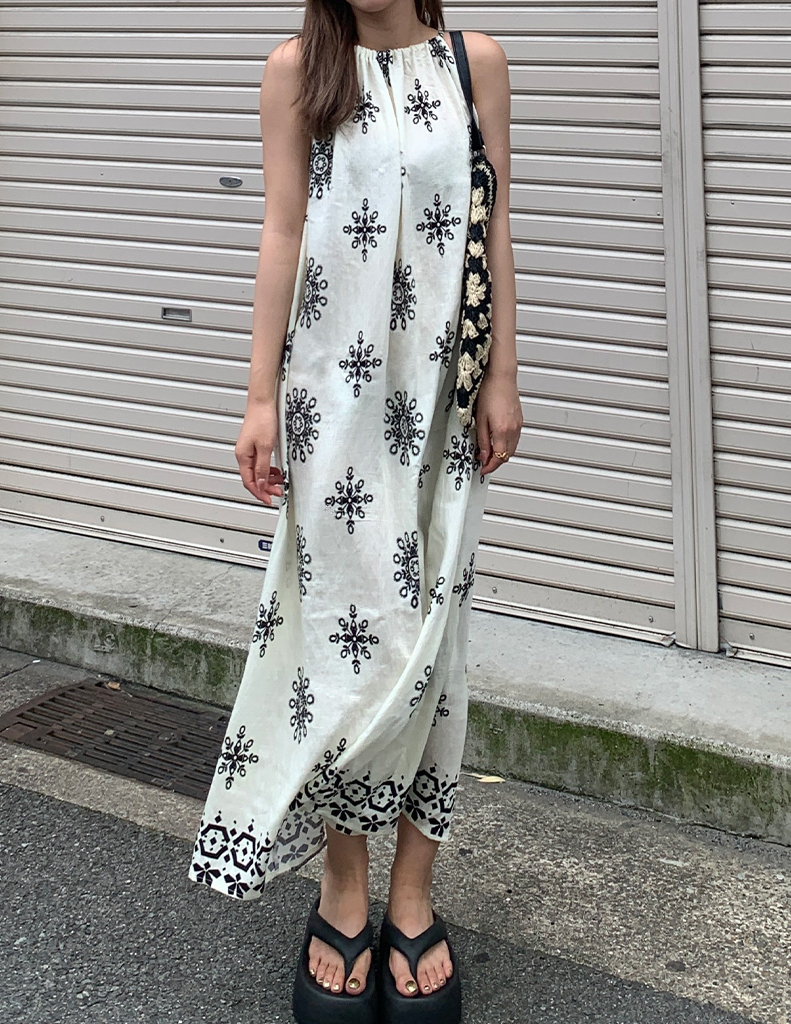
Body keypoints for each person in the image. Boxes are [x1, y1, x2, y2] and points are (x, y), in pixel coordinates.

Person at [188, 1, 521, 1020]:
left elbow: (493, 222)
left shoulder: (475, 64)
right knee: (345, 641)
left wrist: (505, 374)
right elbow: (282, 228)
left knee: (433, 642)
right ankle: (343, 886)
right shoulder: (298, 70)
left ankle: (413, 893)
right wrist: (258, 398)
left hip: (443, 403)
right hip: (331, 405)